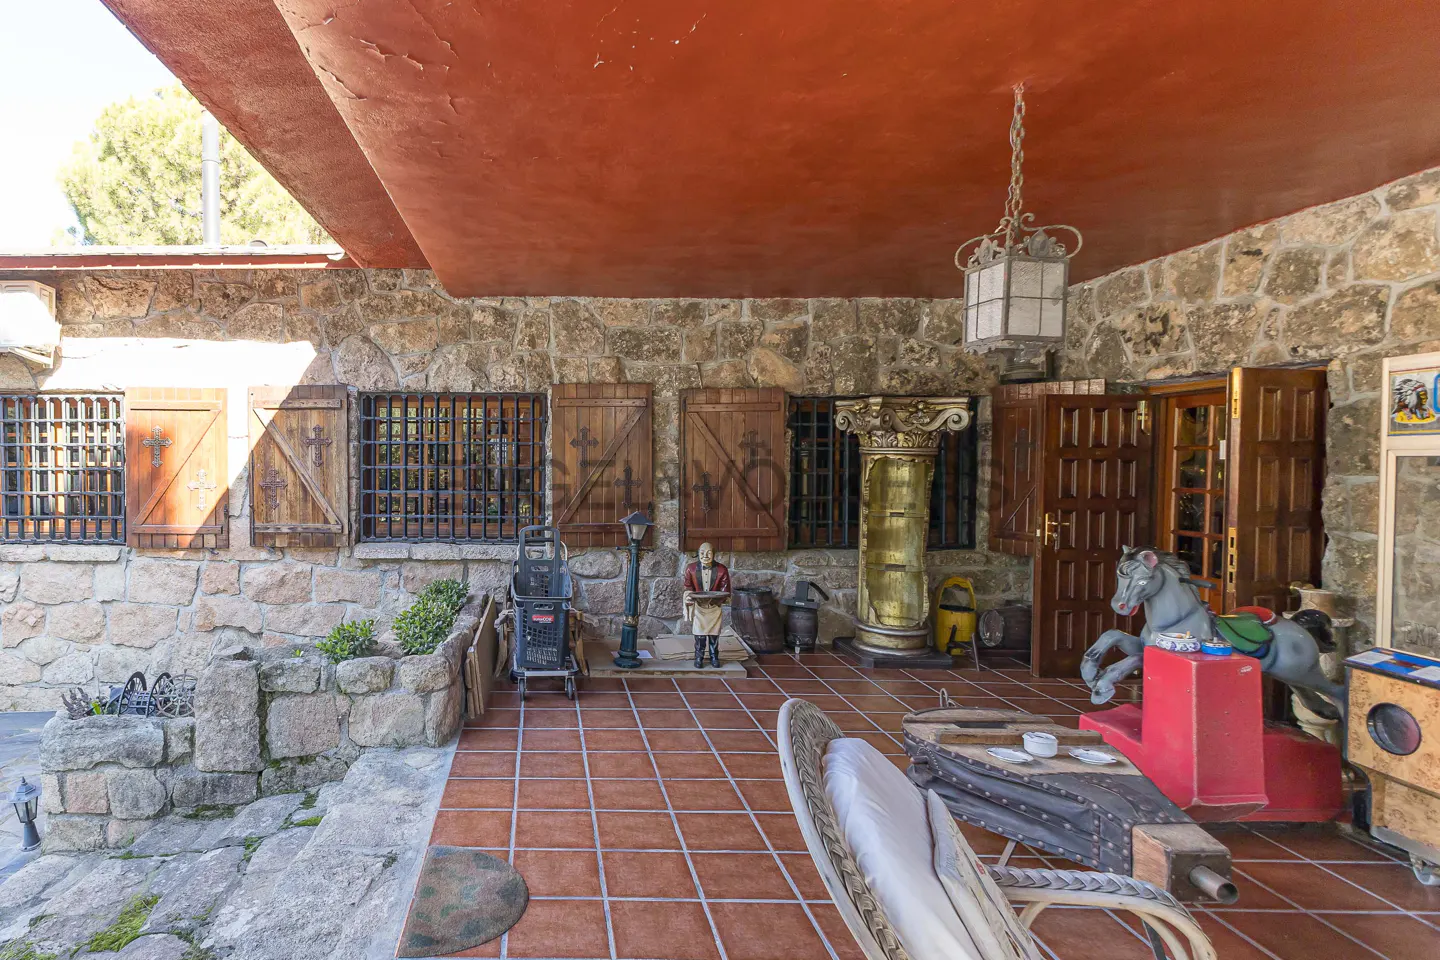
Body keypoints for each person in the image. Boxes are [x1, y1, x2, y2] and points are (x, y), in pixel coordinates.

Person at [682, 542, 732, 667]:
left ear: (714, 554)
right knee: (700, 635)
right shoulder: (691, 569)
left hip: (714, 607)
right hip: (699, 607)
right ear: (698, 554)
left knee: (714, 635)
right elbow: (688, 587)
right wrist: (688, 597)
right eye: (702, 553)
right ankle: (699, 657)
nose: (705, 555)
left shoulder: (722, 569)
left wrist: (717, 600)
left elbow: (725, 590)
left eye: (709, 552)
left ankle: (714, 657)